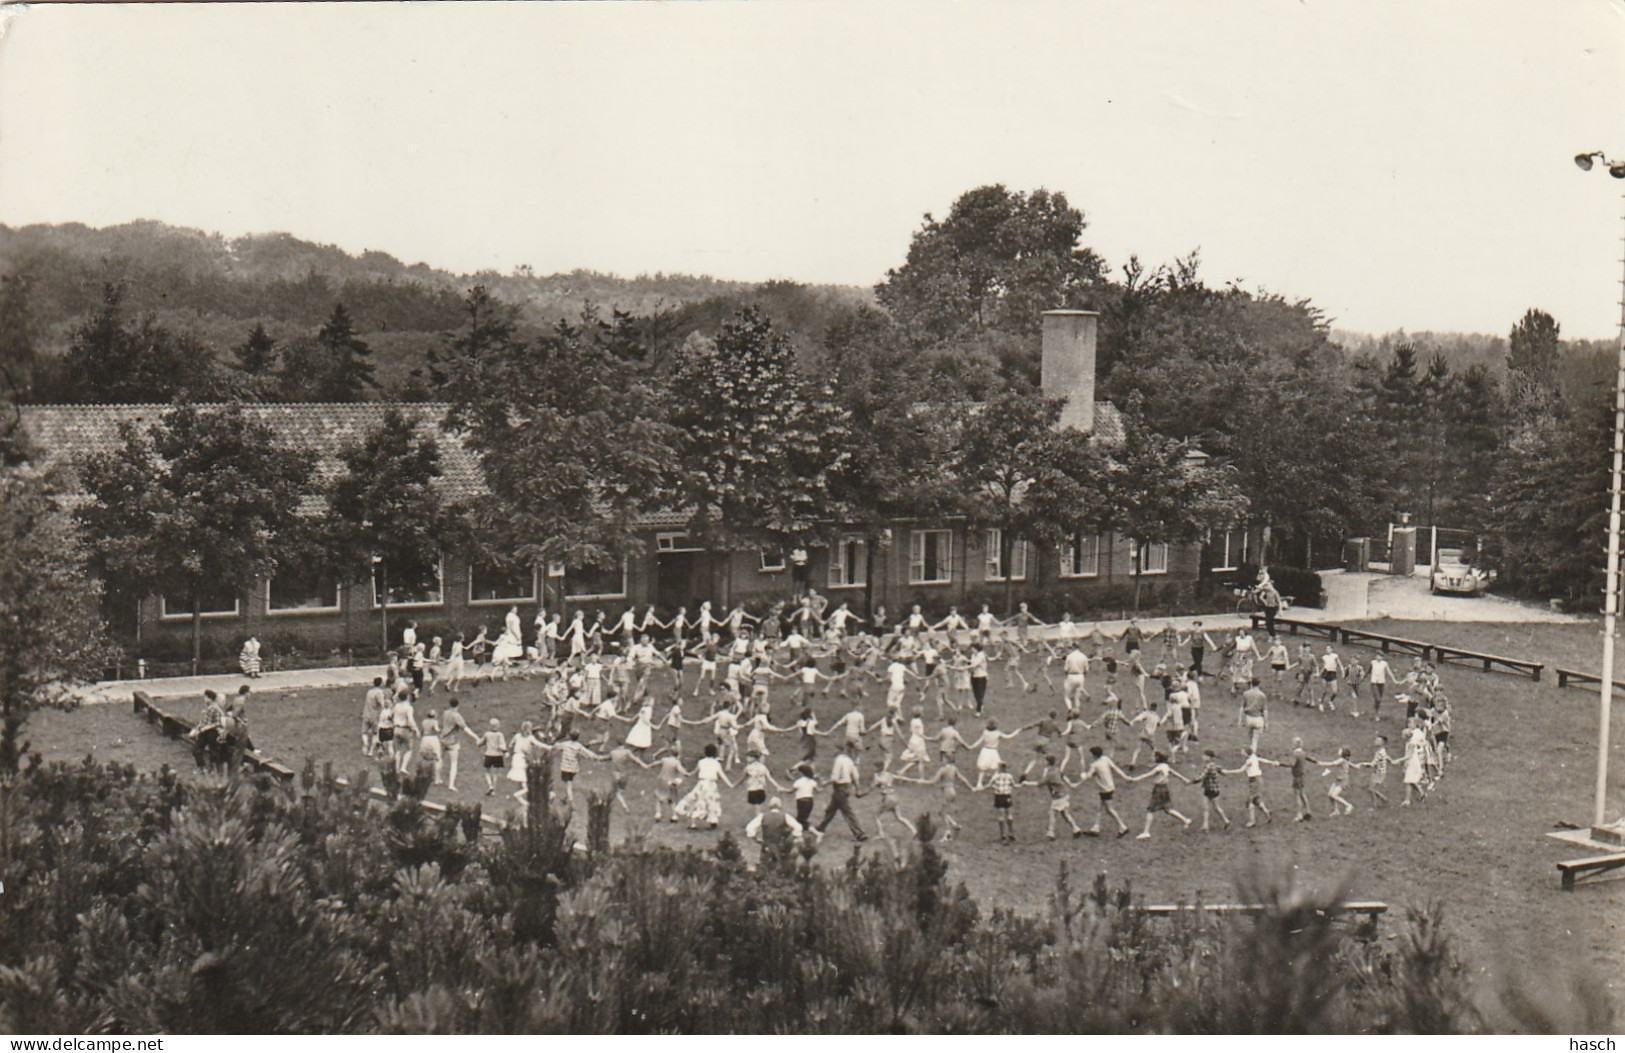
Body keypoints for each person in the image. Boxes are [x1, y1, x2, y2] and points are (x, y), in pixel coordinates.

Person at [1128, 751, 1194, 839]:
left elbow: (1147, 775)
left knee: (1150, 810)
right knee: (1168, 809)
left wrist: (1134, 779)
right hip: (1165, 789)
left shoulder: (1158, 768)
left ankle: (1146, 832)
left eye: (1154, 757)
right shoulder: (1166, 766)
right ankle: (1186, 820)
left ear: (1158, 758)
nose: (1152, 758)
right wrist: (1184, 779)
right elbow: (1174, 773)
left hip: (1158, 790)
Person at [675, 743, 734, 829]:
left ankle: (693, 823)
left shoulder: (701, 762)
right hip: (711, 785)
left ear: (705, 752)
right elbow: (722, 775)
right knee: (712, 802)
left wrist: (687, 774)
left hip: (702, 784)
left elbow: (694, 772)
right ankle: (713, 820)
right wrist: (730, 784)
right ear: (715, 753)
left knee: (697, 801)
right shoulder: (716, 763)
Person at [815, 747, 868, 841]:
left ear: (838, 751)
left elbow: (835, 778)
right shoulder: (849, 761)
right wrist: (857, 789)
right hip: (847, 787)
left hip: (840, 788)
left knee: (847, 811)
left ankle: (859, 833)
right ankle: (821, 827)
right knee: (831, 809)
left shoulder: (838, 760)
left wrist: (825, 783)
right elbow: (855, 776)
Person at [1080, 745, 1133, 837]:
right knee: (1100, 808)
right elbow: (1116, 769)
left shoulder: (1095, 765)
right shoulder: (1105, 759)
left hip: (1105, 789)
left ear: (1095, 755)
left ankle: (1122, 827)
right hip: (1110, 787)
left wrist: (1083, 774)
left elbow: (1087, 776)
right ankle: (1095, 828)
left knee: (1109, 809)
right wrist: (1125, 777)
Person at [1036, 752, 1085, 839]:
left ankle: (1051, 832)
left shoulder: (1049, 774)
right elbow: (1065, 779)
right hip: (1064, 794)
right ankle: (1076, 828)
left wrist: (1026, 783)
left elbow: (1040, 784)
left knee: (1052, 813)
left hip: (1058, 796)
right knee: (1065, 813)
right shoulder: (1057, 770)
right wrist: (1073, 785)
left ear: (1047, 763)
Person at [1194, 748, 1232, 831]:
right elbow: (1222, 771)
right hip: (1215, 789)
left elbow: (1201, 777)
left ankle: (1206, 825)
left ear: (1209, 757)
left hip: (1209, 789)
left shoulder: (1208, 767)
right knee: (1215, 807)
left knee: (1206, 807)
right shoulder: (1215, 765)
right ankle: (1224, 821)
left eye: (1205, 756)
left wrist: (1192, 781)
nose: (1203, 757)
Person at [1321, 746, 1357, 816]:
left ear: (1343, 753)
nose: (1338, 751)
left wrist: (1321, 763)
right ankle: (1336, 811)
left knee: (1333, 795)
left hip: (1343, 781)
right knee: (1329, 795)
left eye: (1340, 750)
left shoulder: (1341, 760)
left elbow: (1333, 763)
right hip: (1338, 780)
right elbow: (1351, 765)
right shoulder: (1345, 760)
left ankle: (1348, 805)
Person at [480, 719, 507, 795]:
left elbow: (480, 743)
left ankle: (490, 785)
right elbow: (503, 745)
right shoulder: (500, 735)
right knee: (495, 773)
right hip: (498, 755)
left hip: (489, 754)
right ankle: (493, 790)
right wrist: (505, 751)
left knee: (487, 771)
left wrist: (478, 741)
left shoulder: (487, 734)